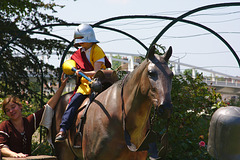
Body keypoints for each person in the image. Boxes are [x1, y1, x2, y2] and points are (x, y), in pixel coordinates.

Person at [55, 24, 111, 142]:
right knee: (73, 103)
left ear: (89, 38)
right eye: (78, 40)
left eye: (82, 40)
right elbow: (70, 66)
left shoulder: (97, 50)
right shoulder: (78, 54)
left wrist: (82, 72)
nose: (80, 43)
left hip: (100, 84)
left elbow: (97, 72)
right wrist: (77, 73)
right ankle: (63, 129)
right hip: (84, 86)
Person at [0, 73, 68, 158]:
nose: (11, 111)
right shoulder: (4, 126)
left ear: (20, 106)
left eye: (13, 107)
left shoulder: (28, 122)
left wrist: (62, 87)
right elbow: (2, 147)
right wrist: (14, 155)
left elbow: (48, 107)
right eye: (7, 110)